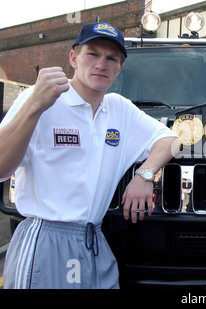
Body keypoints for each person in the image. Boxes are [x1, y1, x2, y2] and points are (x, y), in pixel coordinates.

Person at [0, 22, 179, 289]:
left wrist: (145, 174)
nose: (101, 64)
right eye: (92, 54)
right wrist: (35, 105)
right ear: (74, 58)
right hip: (46, 240)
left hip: (94, 241)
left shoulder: (120, 110)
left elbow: (172, 141)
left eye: (111, 58)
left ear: (120, 68)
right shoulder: (37, 99)